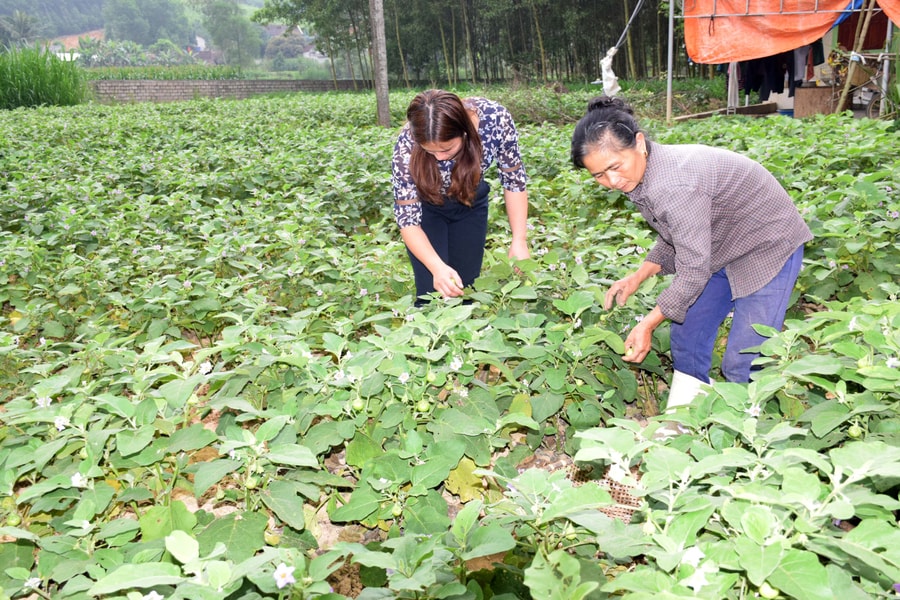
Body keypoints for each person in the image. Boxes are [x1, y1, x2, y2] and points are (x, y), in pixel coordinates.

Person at [570, 95, 812, 416]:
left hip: (767, 244)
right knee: (687, 333)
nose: (611, 181)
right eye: (599, 175)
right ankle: (688, 422)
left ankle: (747, 444)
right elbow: (676, 236)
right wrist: (637, 277)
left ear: (639, 143)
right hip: (722, 246)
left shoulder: (674, 183)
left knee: (745, 360)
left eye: (615, 167)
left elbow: (694, 270)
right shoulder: (643, 174)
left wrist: (648, 323)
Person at [392, 90, 530, 304]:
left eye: (446, 149)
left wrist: (519, 240)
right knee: (431, 292)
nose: (439, 157)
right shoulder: (407, 144)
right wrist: (437, 267)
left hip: (469, 202)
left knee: (466, 289)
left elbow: (514, 181)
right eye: (429, 151)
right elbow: (408, 220)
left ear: (464, 132)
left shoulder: (495, 120)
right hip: (426, 208)